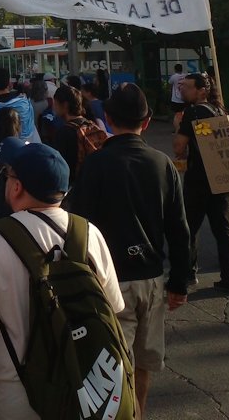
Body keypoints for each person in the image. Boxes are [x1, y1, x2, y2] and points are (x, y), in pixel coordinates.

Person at [0, 139, 124, 420]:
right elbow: (114, 312)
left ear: (17, 186)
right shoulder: (89, 234)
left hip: (14, 398)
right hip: (83, 393)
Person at [69, 84, 191, 419]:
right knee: (144, 361)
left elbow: (78, 225)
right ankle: (139, 412)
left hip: (110, 281)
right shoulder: (162, 164)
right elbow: (178, 230)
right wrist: (179, 282)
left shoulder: (96, 165)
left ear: (107, 118)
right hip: (152, 279)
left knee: (114, 363)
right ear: (148, 121)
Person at [173, 72, 229, 295]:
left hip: (199, 180)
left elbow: (179, 148)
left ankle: (187, 273)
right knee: (223, 231)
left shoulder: (192, 113)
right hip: (220, 179)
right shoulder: (219, 111)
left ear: (201, 90)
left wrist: (178, 127)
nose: (183, 90)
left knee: (188, 228)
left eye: (188, 87)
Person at [52, 85, 108, 183]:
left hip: (76, 186)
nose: (54, 107)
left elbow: (61, 168)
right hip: (94, 182)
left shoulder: (64, 132)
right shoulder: (90, 124)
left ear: (65, 105)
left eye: (56, 104)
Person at [0, 67, 37, 143]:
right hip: (25, 149)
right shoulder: (25, 104)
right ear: (8, 82)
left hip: (0, 151)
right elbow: (30, 129)